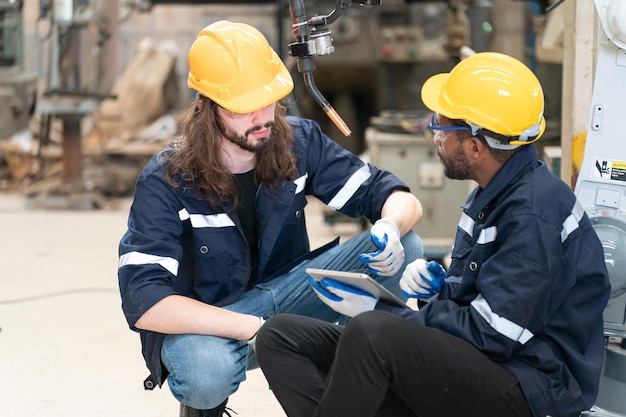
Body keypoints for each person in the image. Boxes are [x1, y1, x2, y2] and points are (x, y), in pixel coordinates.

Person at [255, 52, 611, 417]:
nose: (433, 133)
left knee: (371, 334)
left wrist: (385, 310)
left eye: (441, 124)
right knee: (282, 337)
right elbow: (480, 306)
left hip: (529, 384)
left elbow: (495, 333)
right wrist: (438, 293)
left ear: (475, 145)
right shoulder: (494, 194)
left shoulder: (535, 213)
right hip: (486, 361)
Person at [116, 20, 424, 417]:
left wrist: (389, 226)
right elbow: (145, 301)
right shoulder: (167, 178)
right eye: (245, 106)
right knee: (203, 376)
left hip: (293, 293)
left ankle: (354, 380)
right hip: (217, 320)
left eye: (268, 100)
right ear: (206, 107)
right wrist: (253, 329)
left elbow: (395, 196)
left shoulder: (297, 141)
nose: (262, 116)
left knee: (409, 245)